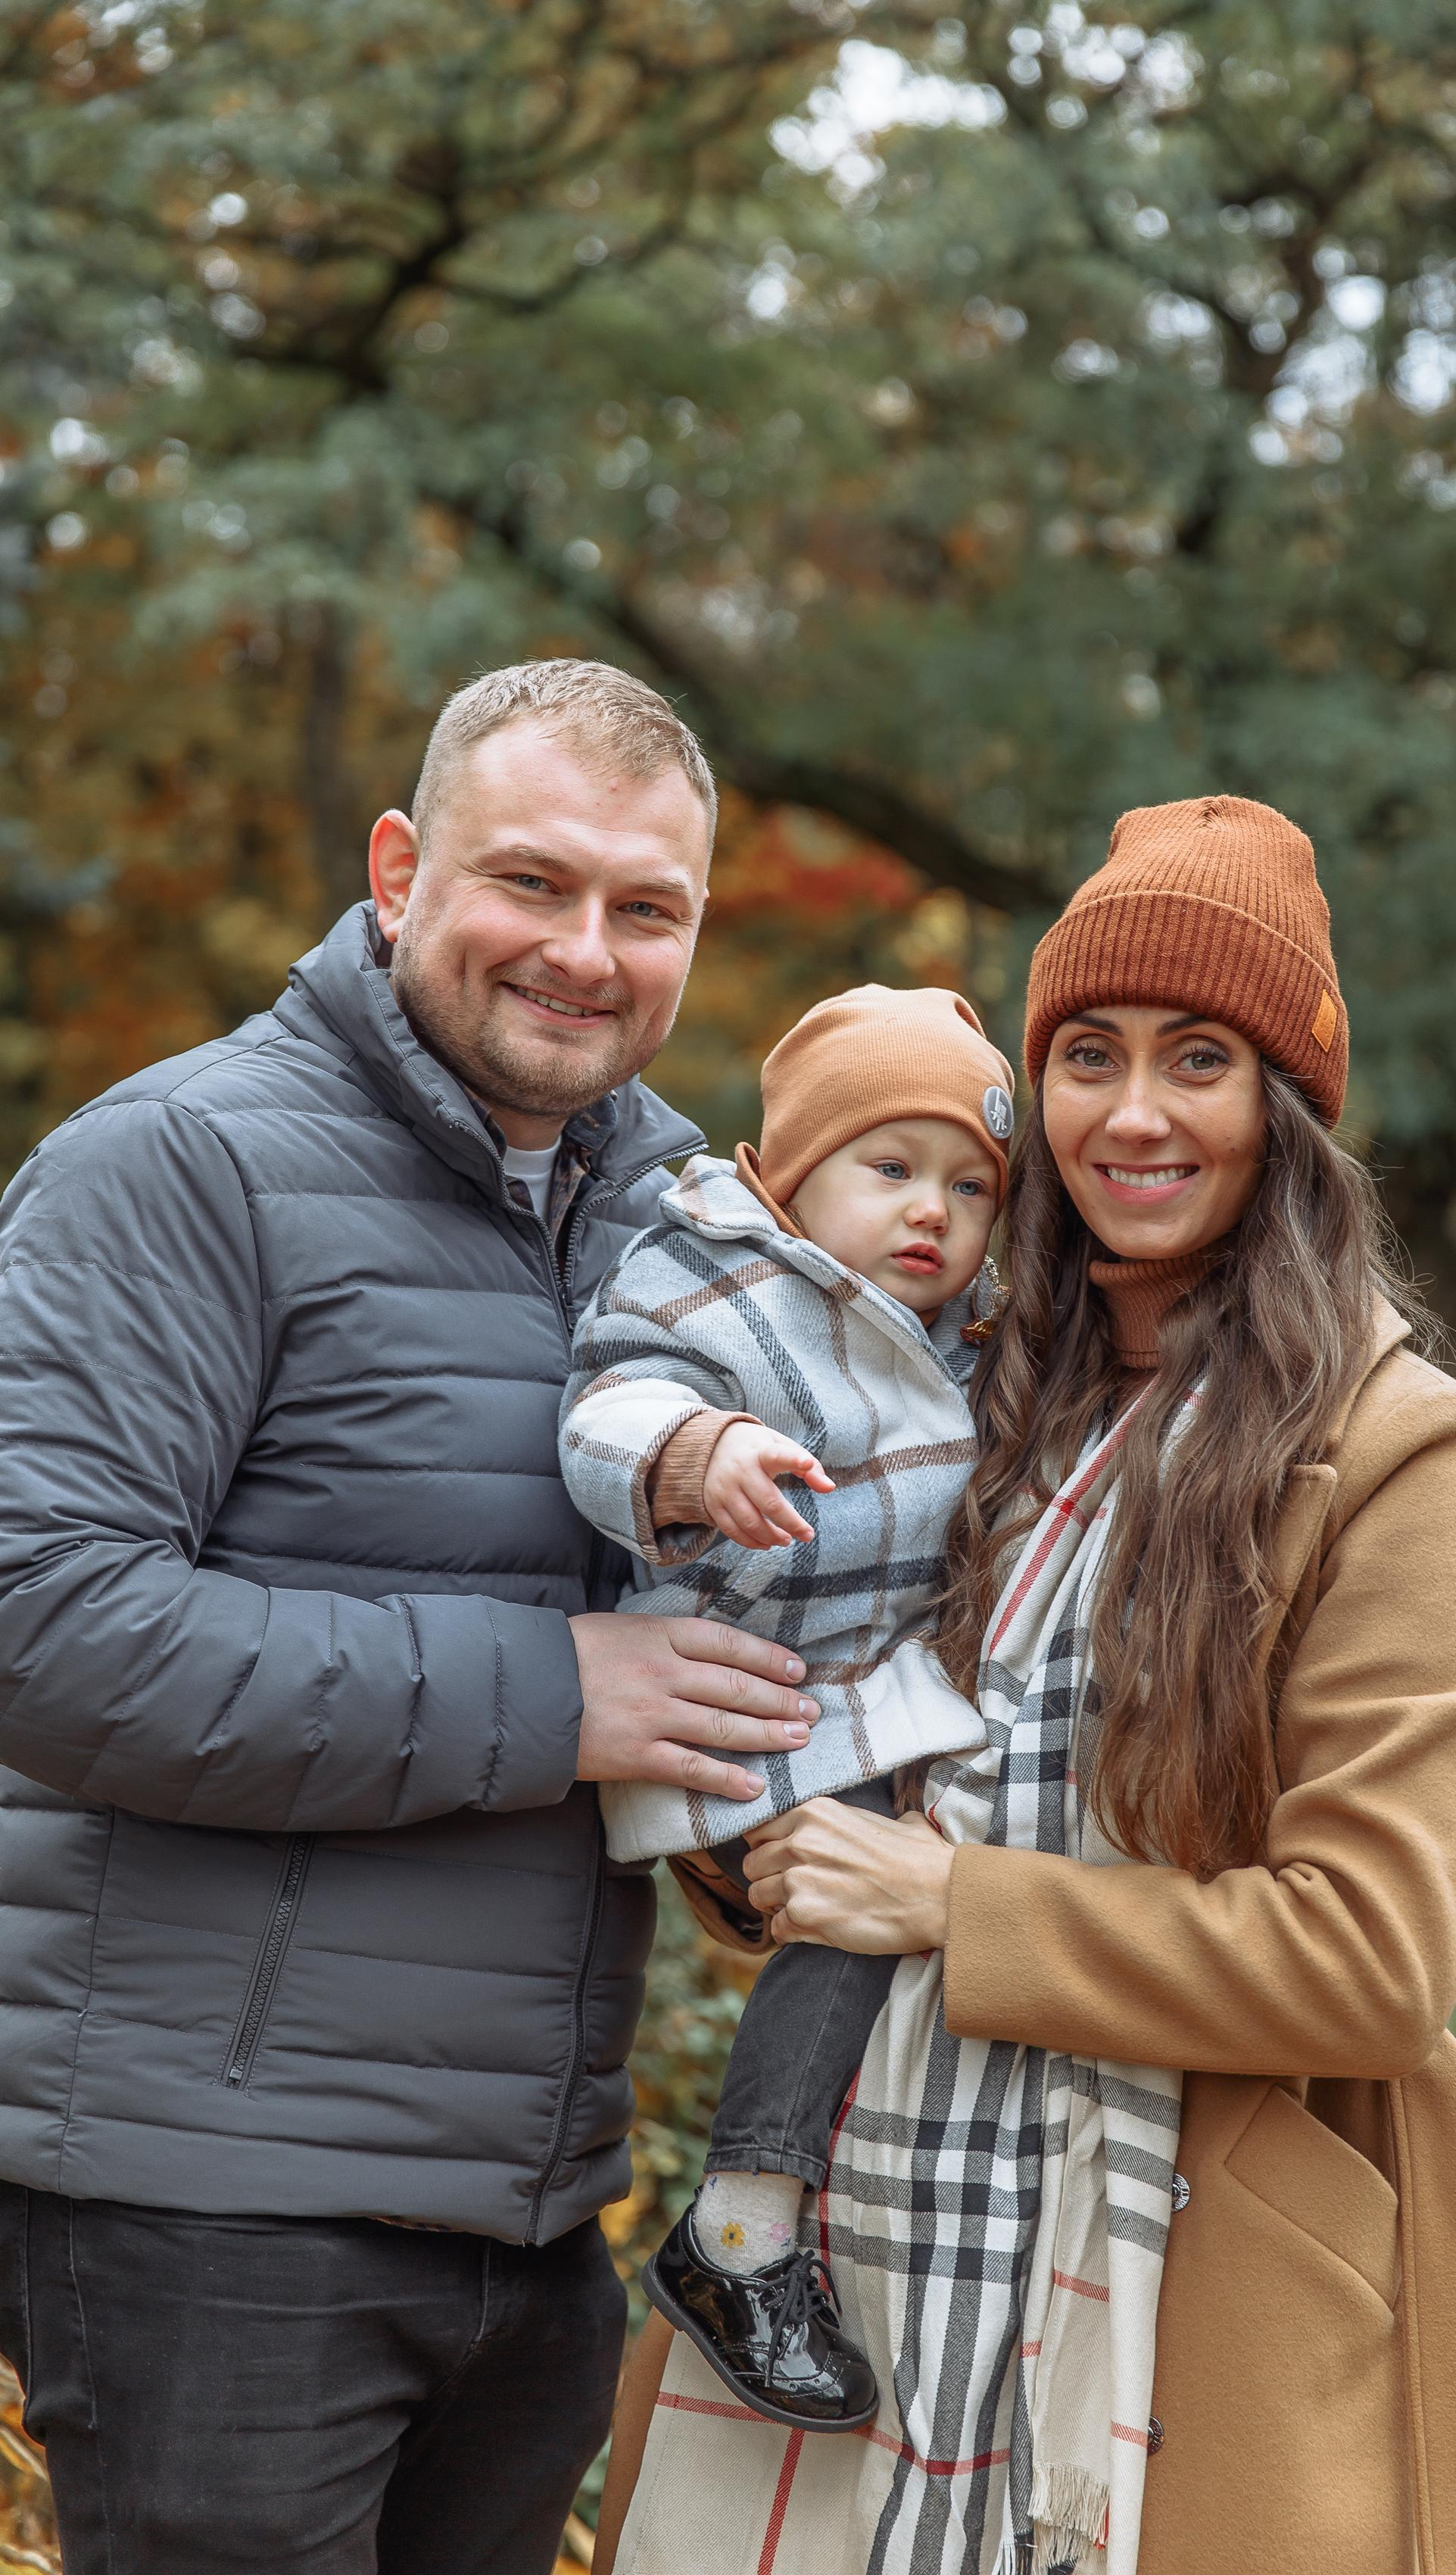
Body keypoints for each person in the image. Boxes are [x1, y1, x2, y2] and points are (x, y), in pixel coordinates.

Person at [595, 793, 1456, 2575]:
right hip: (859, 2251)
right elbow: (824, 1838)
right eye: (1086, 1053)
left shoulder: (1395, 1450)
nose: (1136, 1110)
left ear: (1288, 1109)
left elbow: (1377, 1959)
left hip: (1173, 2266)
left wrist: (954, 1903)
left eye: (1202, 1057)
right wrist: (756, 1833)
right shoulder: (966, 1403)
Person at [0, 658, 822, 2575]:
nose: (586, 951)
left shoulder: (678, 1217)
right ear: (397, 866)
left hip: (537, 2220)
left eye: (649, 907)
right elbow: (44, 1625)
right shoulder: (180, 1166)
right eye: (531, 882)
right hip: (211, 2212)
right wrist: (559, 1692)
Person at [560, 985, 1013, 2433]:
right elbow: (603, 1407)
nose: (930, 1214)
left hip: (868, 1688)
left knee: (898, 1906)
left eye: (970, 1187)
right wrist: (700, 1453)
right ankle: (740, 2230)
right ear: (789, 1172)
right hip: (732, 1687)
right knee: (848, 1913)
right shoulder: (722, 1273)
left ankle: (785, 2214)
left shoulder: (974, 1332)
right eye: (890, 1169)